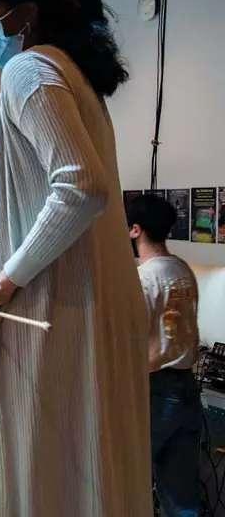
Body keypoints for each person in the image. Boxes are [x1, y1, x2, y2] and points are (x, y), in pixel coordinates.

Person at [0, 0, 152, 516]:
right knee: (94, 469)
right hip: (89, 305)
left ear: (25, 13)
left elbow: (80, 187)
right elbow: (50, 193)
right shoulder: (70, 75)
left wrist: (6, 281)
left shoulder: (29, 70)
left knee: (46, 470)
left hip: (55, 309)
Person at [127, 193, 202, 516]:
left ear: (135, 230)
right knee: (182, 497)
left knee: (129, 483)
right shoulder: (182, 269)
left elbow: (131, 340)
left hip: (155, 391)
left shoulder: (143, 279)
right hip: (187, 388)